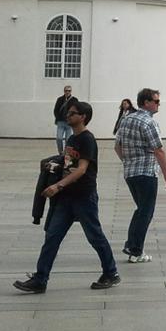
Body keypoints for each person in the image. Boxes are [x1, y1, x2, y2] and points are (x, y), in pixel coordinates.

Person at [13, 100, 120, 292]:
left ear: (83, 117)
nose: (68, 116)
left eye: (72, 113)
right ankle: (40, 279)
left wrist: (57, 185)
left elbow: (81, 169)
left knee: (95, 236)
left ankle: (111, 273)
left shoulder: (87, 139)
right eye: (68, 113)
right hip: (66, 197)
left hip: (83, 197)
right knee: (52, 236)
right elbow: (68, 163)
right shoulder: (71, 139)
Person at [114, 88, 166, 263]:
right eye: (156, 101)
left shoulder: (126, 119)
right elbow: (159, 150)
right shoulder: (149, 123)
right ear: (146, 102)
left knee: (141, 209)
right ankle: (136, 250)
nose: (158, 105)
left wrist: (128, 161)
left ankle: (131, 245)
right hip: (146, 172)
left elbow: (117, 146)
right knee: (146, 211)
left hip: (130, 173)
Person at [53, 85, 78, 155]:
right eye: (66, 91)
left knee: (68, 140)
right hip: (61, 122)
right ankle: (60, 152)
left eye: (69, 91)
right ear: (64, 91)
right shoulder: (60, 99)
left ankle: (66, 153)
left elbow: (76, 110)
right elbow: (56, 110)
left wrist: (73, 120)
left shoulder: (74, 100)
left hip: (69, 123)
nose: (67, 92)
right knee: (59, 138)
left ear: (71, 91)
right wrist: (58, 117)